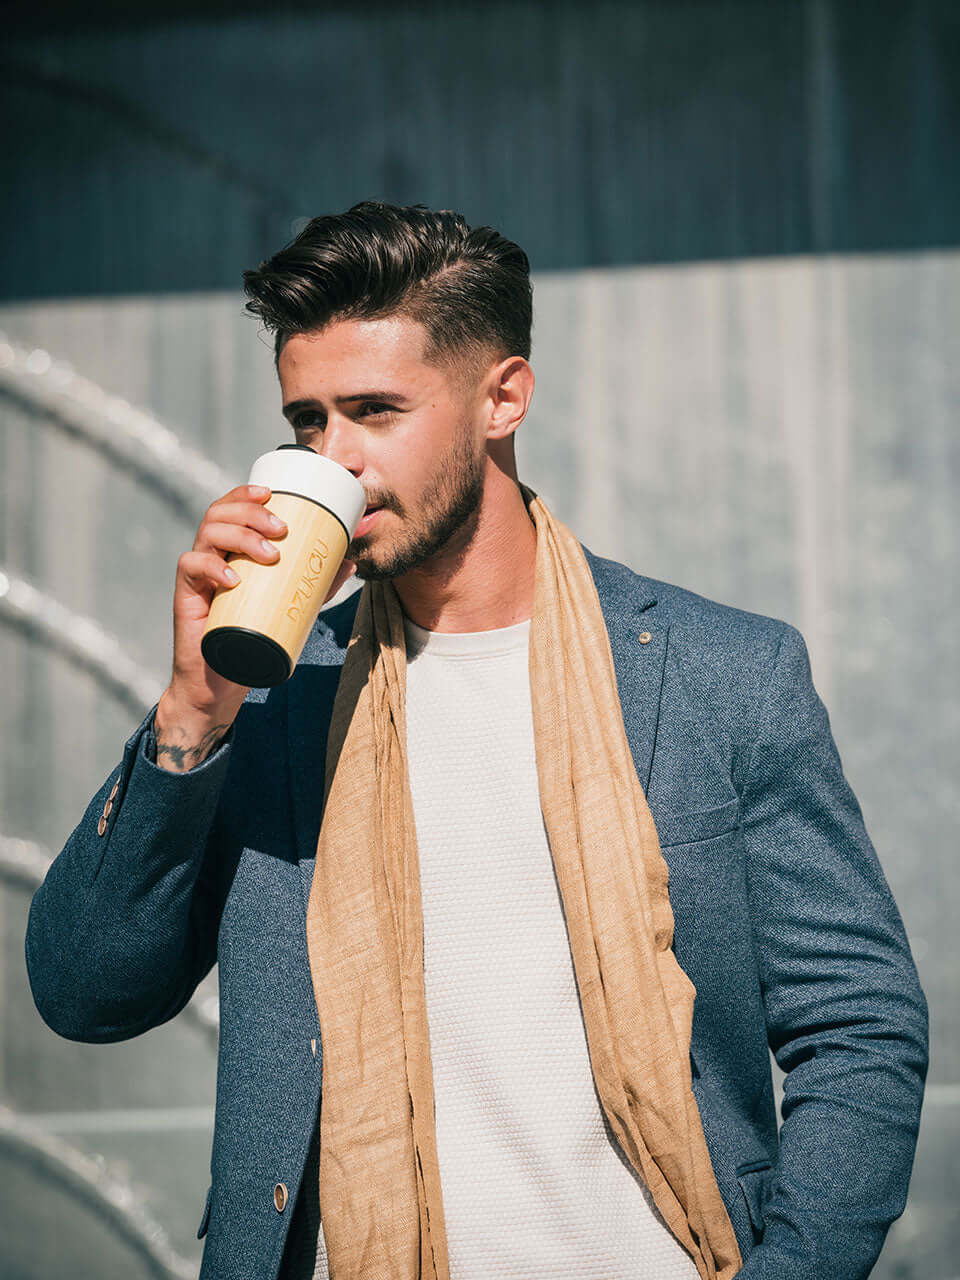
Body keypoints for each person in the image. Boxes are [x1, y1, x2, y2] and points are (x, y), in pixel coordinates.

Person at [25, 202, 928, 1280]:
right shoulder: (276, 698)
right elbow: (85, 993)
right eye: (308, 422)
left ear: (504, 397)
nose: (336, 459)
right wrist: (191, 711)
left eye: (374, 411)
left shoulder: (723, 675)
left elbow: (858, 1024)